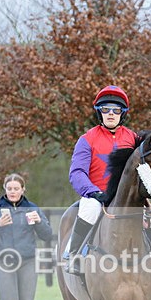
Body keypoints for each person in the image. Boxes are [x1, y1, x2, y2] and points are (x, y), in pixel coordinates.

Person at [63, 85, 137, 273]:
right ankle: (75, 255)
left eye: (116, 110)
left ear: (123, 113)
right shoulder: (86, 139)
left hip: (127, 197)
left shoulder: (133, 139)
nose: (111, 113)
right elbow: (77, 172)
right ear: (99, 112)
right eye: (106, 109)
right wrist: (94, 192)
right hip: (98, 196)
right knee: (89, 209)